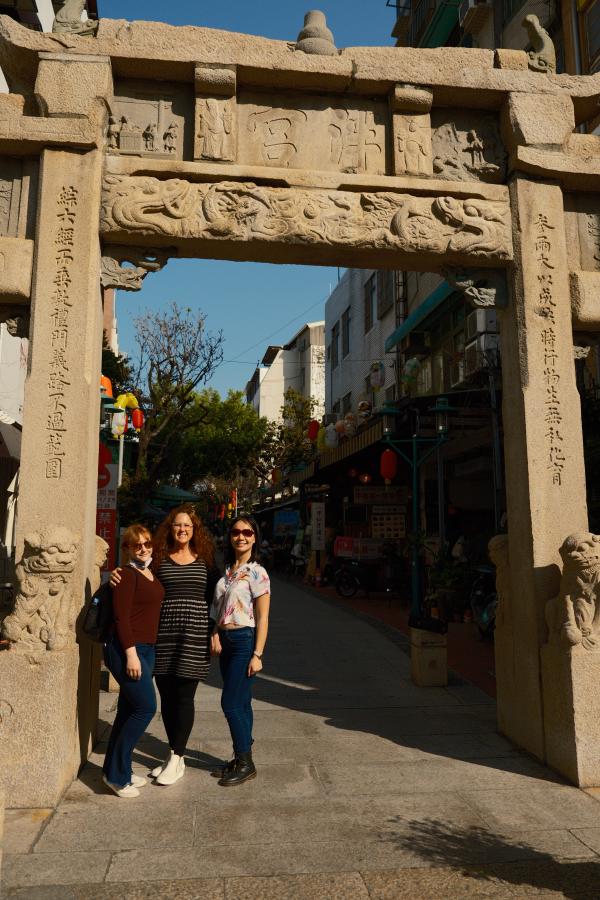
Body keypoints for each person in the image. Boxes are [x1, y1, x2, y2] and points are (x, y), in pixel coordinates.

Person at [111, 504, 220, 787]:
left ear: (195, 530)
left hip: (194, 635)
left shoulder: (207, 560)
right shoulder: (158, 558)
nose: (182, 529)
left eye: (187, 525)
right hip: (163, 636)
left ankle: (177, 755)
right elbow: (137, 578)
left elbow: (218, 600)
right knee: (168, 697)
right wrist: (114, 575)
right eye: (177, 525)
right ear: (170, 529)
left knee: (184, 697)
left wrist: (215, 631)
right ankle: (176, 757)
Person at [102, 524, 164, 798]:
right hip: (128, 649)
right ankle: (116, 776)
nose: (143, 548)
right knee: (145, 707)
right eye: (137, 545)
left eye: (148, 543)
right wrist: (130, 653)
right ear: (126, 548)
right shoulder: (125, 575)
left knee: (128, 711)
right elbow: (121, 618)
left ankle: (118, 770)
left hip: (147, 649)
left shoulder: (150, 571)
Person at [210, 515, 271, 786]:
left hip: (245, 640)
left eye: (247, 532)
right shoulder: (227, 573)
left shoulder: (258, 572)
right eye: (236, 532)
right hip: (226, 640)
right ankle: (241, 756)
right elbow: (218, 610)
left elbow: (263, 616)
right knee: (242, 702)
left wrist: (258, 654)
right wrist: (214, 633)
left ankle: (246, 762)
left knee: (231, 703)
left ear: (254, 537)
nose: (241, 537)